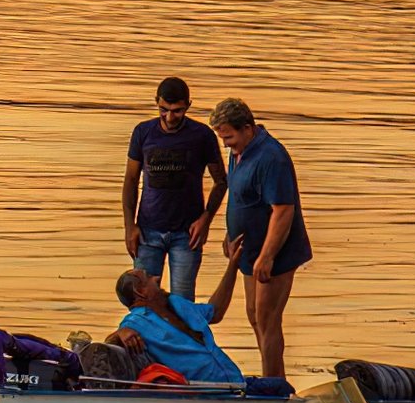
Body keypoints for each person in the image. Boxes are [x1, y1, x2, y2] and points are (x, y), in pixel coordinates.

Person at [208, 96, 313, 380]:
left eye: (229, 137)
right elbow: (241, 195)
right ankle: (270, 378)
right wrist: (230, 231)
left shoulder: (271, 158)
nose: (226, 144)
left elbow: (283, 211)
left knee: (268, 319)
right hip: (248, 248)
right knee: (254, 314)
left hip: (275, 251)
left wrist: (267, 255)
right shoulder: (237, 151)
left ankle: (274, 385)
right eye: (222, 138)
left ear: (247, 128)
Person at [122, 76, 228, 301]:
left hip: (186, 235)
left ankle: (181, 337)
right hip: (148, 232)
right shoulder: (143, 132)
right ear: (156, 102)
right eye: (164, 110)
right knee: (143, 301)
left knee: (182, 303)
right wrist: (129, 226)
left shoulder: (202, 136)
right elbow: (131, 180)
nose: (170, 117)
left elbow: (221, 181)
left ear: (188, 106)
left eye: (177, 111)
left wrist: (205, 219)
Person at [106, 257, 245, 385]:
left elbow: (216, 312)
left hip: (237, 380)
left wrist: (233, 264)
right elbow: (107, 346)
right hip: (207, 391)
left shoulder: (176, 302)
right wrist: (119, 333)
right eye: (148, 277)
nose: (157, 278)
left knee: (267, 385)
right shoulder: (136, 322)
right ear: (140, 291)